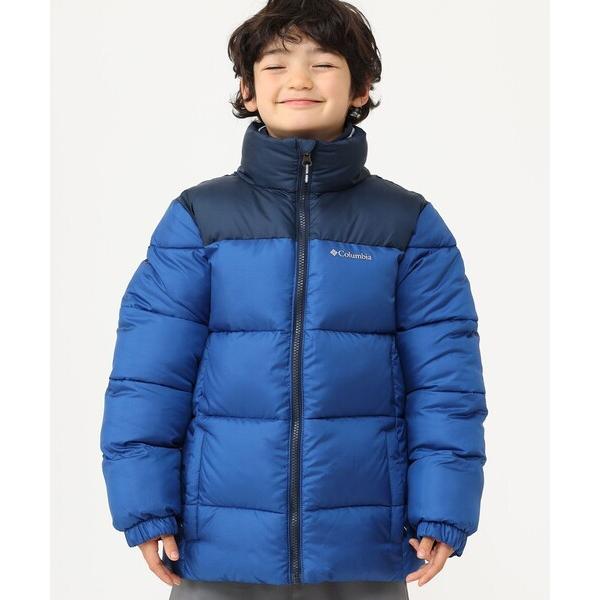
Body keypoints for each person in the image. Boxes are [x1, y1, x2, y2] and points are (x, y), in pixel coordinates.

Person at [99, 1, 488, 598]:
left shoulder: (407, 224)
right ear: (248, 90)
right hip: (217, 546)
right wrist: (145, 506)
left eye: (323, 63)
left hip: (363, 549)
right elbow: (149, 376)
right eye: (276, 64)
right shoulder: (200, 218)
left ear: (361, 88)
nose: (299, 80)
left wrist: (443, 508)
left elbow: (446, 384)